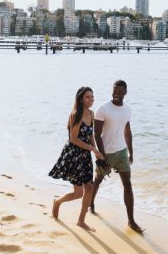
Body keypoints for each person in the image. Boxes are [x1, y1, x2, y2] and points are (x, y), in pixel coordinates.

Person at [90, 80, 144, 233]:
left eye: (121, 91)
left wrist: (131, 151)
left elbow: (127, 130)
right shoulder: (103, 109)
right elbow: (97, 134)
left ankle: (131, 221)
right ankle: (91, 203)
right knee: (98, 180)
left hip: (122, 153)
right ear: (112, 90)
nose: (117, 93)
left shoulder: (127, 109)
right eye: (115, 90)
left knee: (128, 184)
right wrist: (102, 155)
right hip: (106, 152)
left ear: (125, 92)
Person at [48, 86, 104, 231]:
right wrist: (92, 149)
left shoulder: (91, 114)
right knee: (78, 193)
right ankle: (58, 202)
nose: (91, 99)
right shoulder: (76, 115)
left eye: (92, 97)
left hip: (85, 155)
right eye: (87, 97)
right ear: (80, 99)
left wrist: (95, 151)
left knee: (89, 188)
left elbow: (90, 135)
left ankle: (81, 221)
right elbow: (73, 139)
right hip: (73, 155)